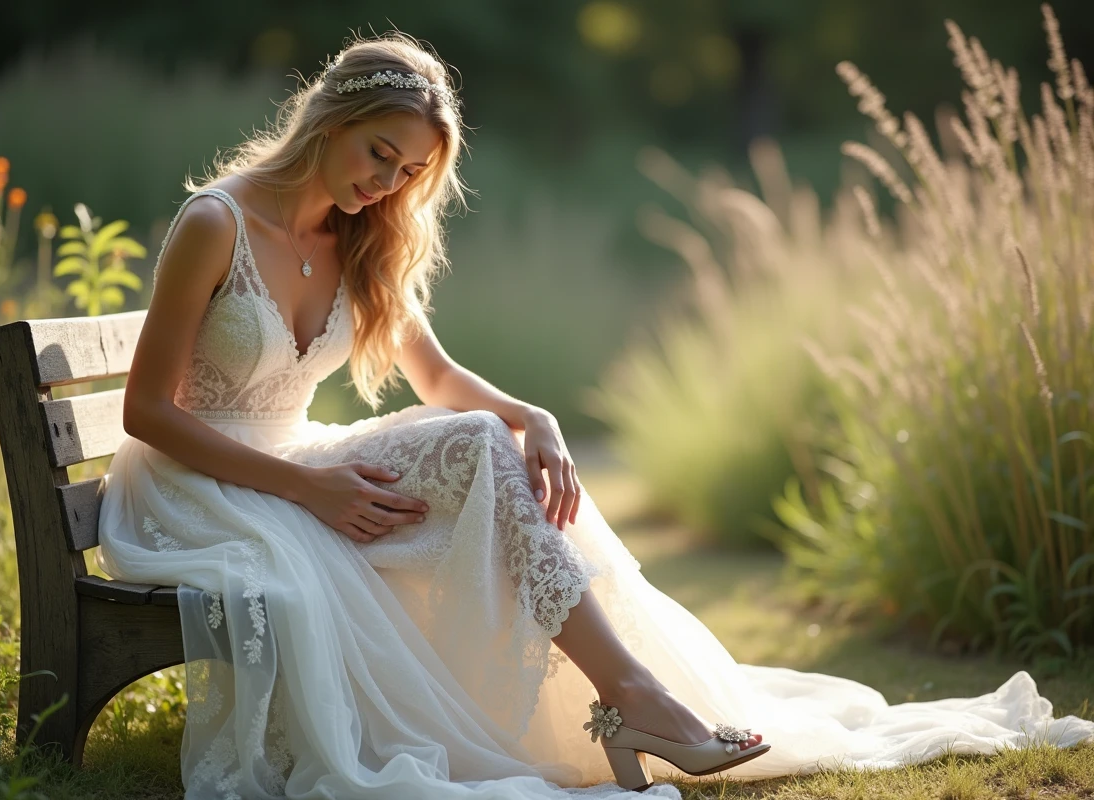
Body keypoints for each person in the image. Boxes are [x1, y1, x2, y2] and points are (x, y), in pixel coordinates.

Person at [96, 32, 1094, 800]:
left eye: (407, 173)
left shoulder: (362, 237)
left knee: (485, 438)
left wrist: (534, 414)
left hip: (298, 462)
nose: (386, 184)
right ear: (330, 117)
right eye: (379, 153)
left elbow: (435, 376)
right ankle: (636, 701)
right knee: (469, 453)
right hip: (200, 480)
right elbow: (146, 412)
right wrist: (307, 488)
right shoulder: (217, 223)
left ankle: (632, 694)